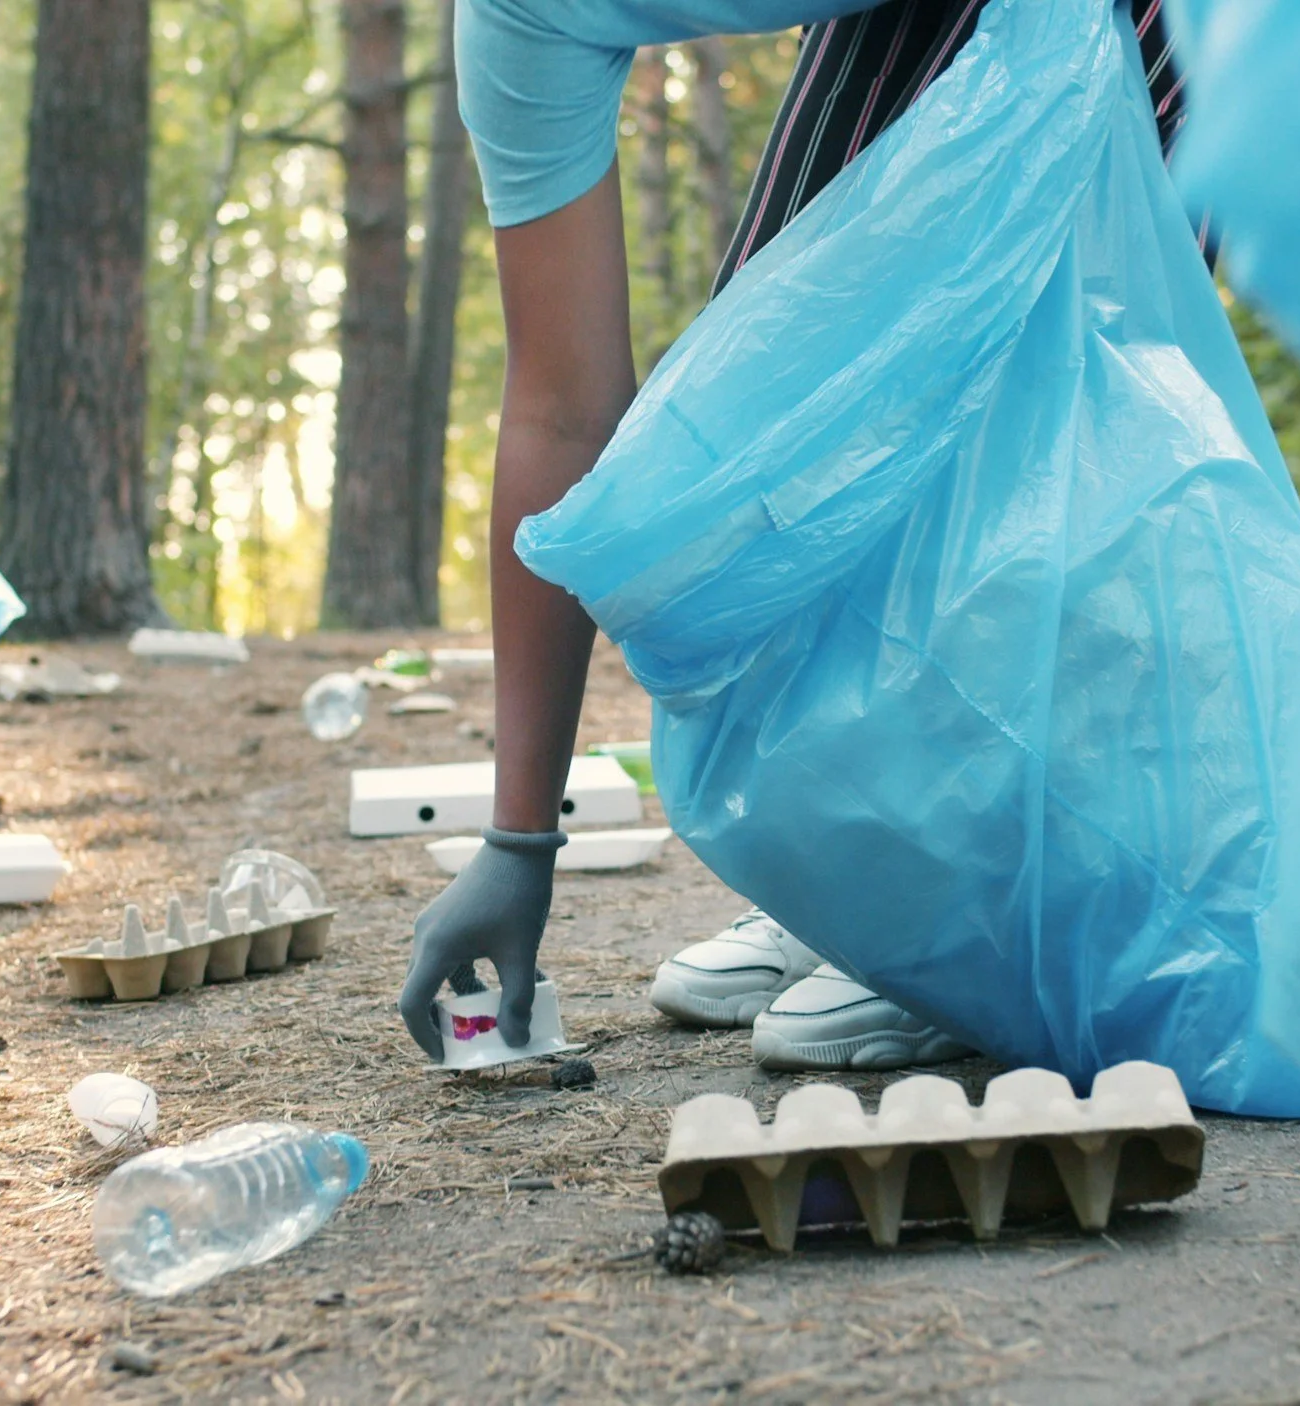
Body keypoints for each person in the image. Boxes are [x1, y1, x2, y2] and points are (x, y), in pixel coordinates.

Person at [402, 0, 1203, 1071]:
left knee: (1008, 384)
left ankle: (979, 890)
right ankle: (855, 863)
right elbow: (560, 407)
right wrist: (518, 837)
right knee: (771, 363)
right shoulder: (515, 18)